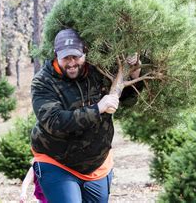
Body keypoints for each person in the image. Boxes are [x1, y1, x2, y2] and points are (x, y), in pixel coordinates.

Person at [30, 28, 141, 202]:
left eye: (76, 56)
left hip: (97, 163)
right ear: (55, 55)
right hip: (56, 161)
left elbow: (126, 100)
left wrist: (133, 72)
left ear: (85, 52)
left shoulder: (99, 71)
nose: (72, 62)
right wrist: (98, 108)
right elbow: (55, 122)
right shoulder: (43, 82)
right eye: (66, 57)